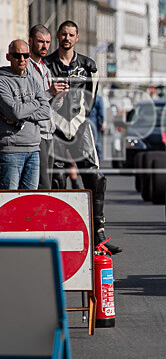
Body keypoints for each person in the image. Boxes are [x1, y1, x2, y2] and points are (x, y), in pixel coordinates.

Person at [45, 20, 121, 254]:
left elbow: (92, 98)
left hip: (79, 125)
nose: (67, 38)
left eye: (71, 35)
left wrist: (79, 120)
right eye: (63, 34)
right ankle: (57, 232)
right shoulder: (46, 64)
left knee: (95, 177)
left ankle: (99, 232)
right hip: (53, 125)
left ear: (77, 37)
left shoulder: (88, 65)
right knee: (56, 178)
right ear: (58, 36)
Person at [0, 40, 51, 189]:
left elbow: (47, 111)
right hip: (11, 150)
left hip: (34, 148)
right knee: (9, 201)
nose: (22, 59)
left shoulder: (33, 80)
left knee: (30, 202)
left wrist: (23, 113)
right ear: (8, 56)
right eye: (17, 55)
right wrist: (35, 103)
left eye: (25, 55)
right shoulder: (3, 81)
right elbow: (15, 112)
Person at [27, 24, 67, 189]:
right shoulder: (27, 68)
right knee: (43, 184)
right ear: (30, 41)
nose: (45, 46)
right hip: (36, 134)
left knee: (50, 182)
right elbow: (30, 103)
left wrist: (59, 95)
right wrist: (50, 92)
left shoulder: (45, 69)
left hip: (50, 132)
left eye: (48, 42)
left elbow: (52, 107)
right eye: (40, 41)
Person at [88, 93, 105, 161]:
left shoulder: (83, 95)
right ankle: (97, 162)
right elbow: (101, 113)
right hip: (94, 123)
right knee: (96, 143)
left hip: (83, 122)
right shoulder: (97, 97)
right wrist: (102, 123)